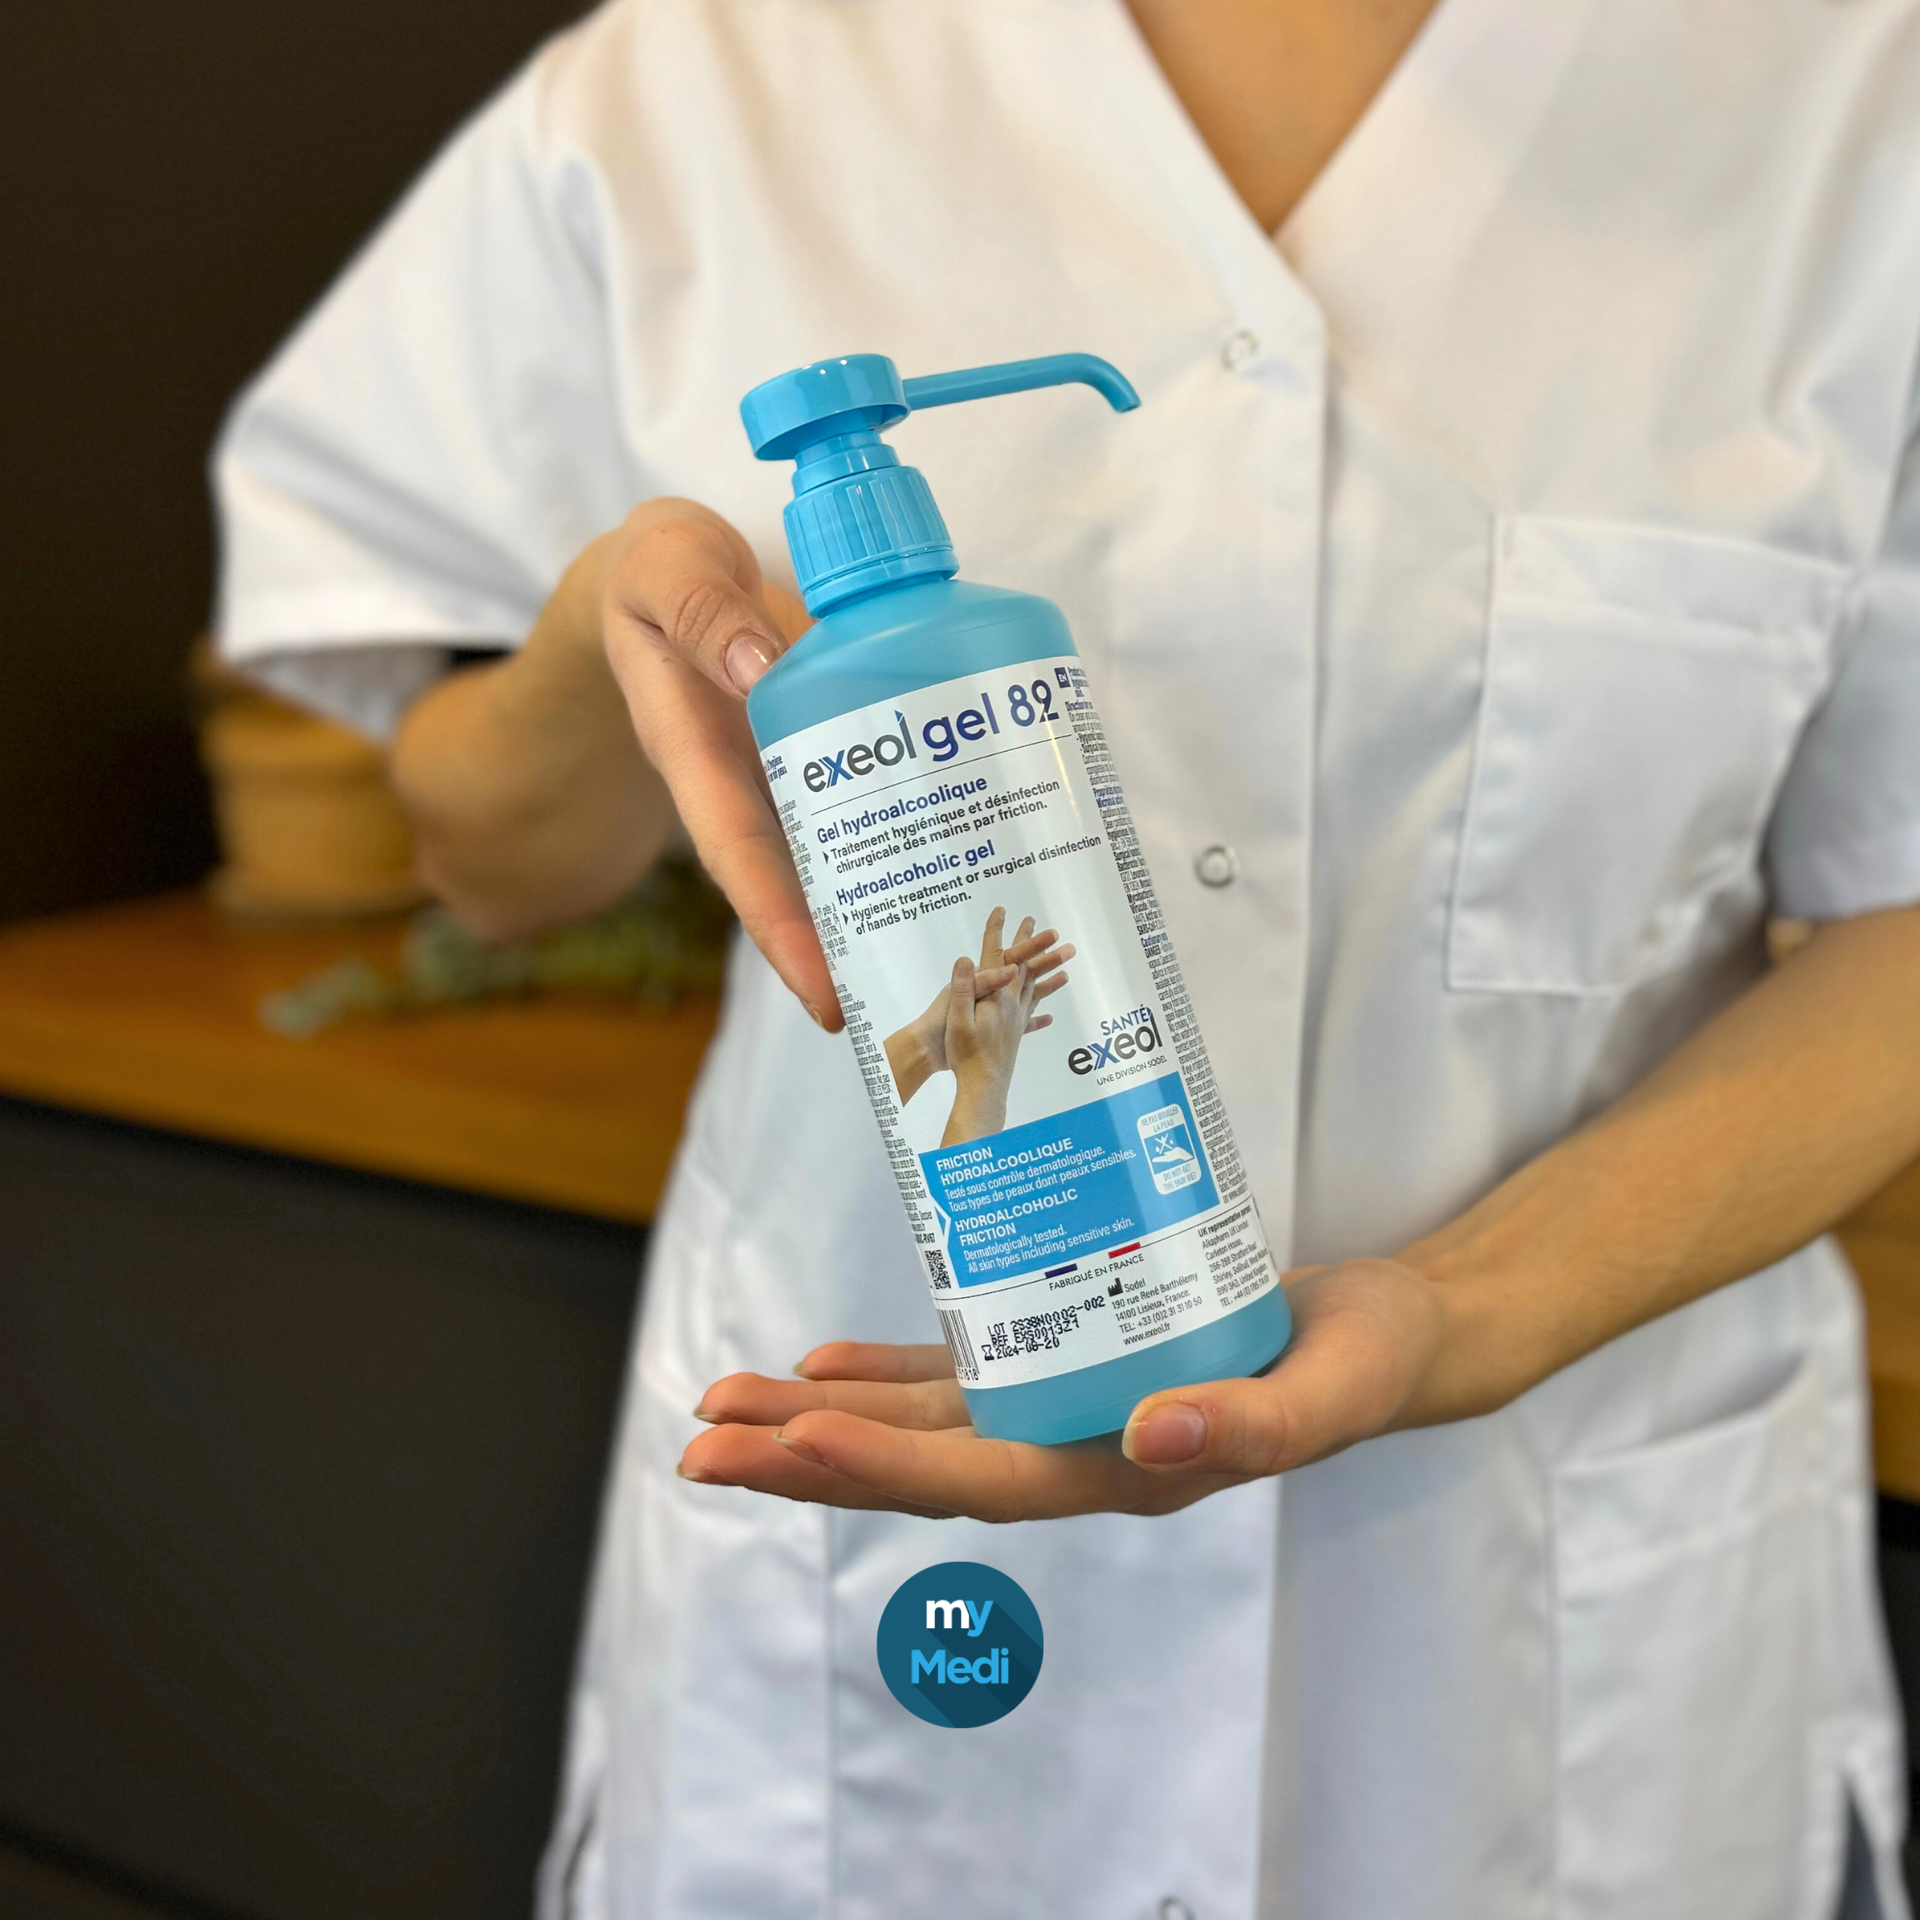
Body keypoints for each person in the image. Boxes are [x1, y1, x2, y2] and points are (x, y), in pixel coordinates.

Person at [210, 0, 1920, 1913]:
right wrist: (613, 628)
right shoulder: (691, 78)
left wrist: (1468, 1307)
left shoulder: (1857, 90)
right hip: (885, 1604)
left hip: (1541, 1586)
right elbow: (489, 859)